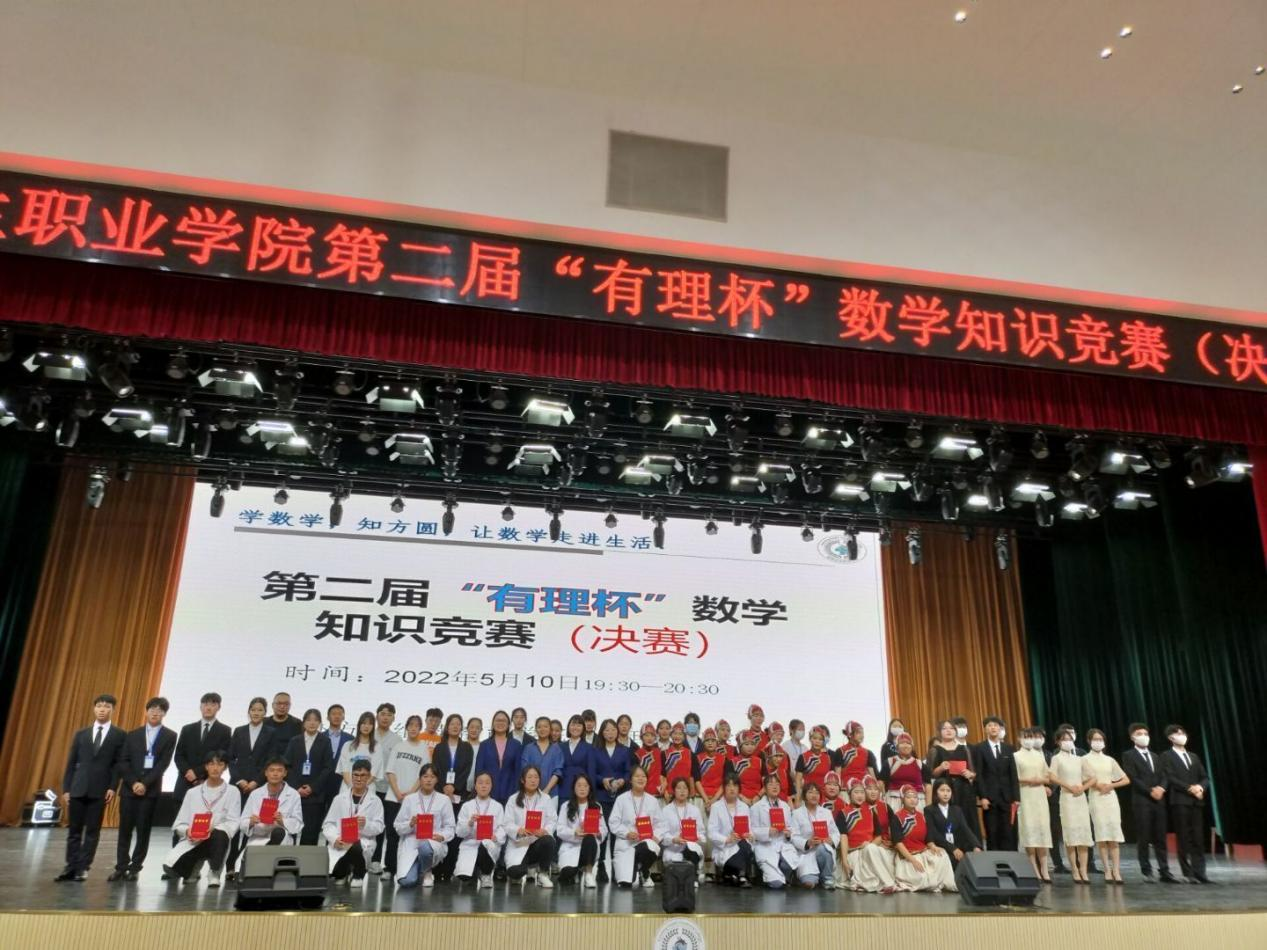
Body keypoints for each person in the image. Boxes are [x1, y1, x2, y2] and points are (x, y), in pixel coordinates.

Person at [56, 693, 126, 882]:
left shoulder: (119, 735)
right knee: (74, 831)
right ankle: (70, 866)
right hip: (78, 788)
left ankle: (83, 867)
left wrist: (112, 787)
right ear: (94, 708)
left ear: (113, 710)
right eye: (99, 706)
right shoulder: (81, 734)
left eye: (107, 706)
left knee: (92, 831)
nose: (102, 709)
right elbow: (71, 763)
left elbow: (118, 765)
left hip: (100, 789)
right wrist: (66, 789)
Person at [112, 695, 177, 881]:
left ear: (164, 714)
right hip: (129, 790)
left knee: (143, 830)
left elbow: (163, 764)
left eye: (160, 710)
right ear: (146, 711)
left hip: (150, 791)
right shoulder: (132, 734)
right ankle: (121, 866)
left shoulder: (170, 735)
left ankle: (135, 868)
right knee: (124, 830)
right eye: (152, 709)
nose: (155, 713)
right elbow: (123, 761)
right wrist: (134, 782)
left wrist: (145, 783)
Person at [161, 750, 241, 887]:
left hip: (217, 839)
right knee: (170, 867)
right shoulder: (192, 792)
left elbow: (233, 822)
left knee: (220, 834)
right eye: (211, 764)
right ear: (206, 766)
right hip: (194, 839)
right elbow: (179, 823)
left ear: (225, 767)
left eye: (220, 764)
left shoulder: (232, 791)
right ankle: (194, 867)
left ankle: (214, 873)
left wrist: (212, 828)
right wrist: (188, 831)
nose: (215, 768)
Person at [226, 697, 276, 877]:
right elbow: (230, 758)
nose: (256, 713)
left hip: (258, 786)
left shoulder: (271, 733)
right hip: (238, 786)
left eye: (260, 710)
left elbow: (270, 760)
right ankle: (230, 866)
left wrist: (256, 781)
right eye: (253, 709)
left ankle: (244, 863)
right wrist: (239, 779)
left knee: (252, 825)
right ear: (248, 711)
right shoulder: (239, 731)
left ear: (265, 713)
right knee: (235, 826)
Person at [1121, 723, 1176, 883]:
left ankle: (1164, 871)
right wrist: (1150, 791)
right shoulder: (1128, 755)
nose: (1144, 736)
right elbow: (1133, 777)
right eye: (1139, 734)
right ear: (1132, 737)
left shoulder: (1155, 756)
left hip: (1159, 800)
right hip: (1142, 800)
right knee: (1144, 837)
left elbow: (1164, 775)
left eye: (1146, 733)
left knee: (1160, 837)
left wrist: (1161, 788)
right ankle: (1147, 871)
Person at [322, 758, 385, 887]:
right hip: (341, 841)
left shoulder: (375, 801)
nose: (359, 779)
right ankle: (344, 872)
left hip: (362, 842)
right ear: (351, 776)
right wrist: (335, 839)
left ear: (369, 777)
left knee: (355, 846)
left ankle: (358, 873)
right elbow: (328, 824)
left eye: (363, 775)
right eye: (356, 775)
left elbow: (379, 827)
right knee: (337, 876)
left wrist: (365, 825)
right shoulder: (339, 799)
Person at [394, 764, 456, 888]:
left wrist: (442, 837)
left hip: (433, 841)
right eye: (425, 776)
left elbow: (450, 827)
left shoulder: (444, 800)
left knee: (425, 847)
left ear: (437, 780)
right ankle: (418, 869)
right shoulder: (409, 799)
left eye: (432, 777)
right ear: (420, 779)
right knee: (406, 882)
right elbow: (398, 826)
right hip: (412, 842)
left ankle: (427, 871)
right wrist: (410, 824)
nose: (428, 780)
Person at [1163, 724, 1210, 884]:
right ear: (1171, 738)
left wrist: (1200, 787)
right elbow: (1170, 777)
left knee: (1198, 837)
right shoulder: (1167, 756)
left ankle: (1200, 873)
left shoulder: (1193, 756)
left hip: (1196, 801)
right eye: (1178, 733)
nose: (1182, 735)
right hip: (1180, 801)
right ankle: (1188, 872)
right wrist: (1190, 788)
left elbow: (1205, 777)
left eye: (1183, 733)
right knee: (1183, 837)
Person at [385, 714, 430, 880]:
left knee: (411, 834)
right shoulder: (399, 746)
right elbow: (390, 771)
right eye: (410, 725)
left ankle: (409, 868)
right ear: (406, 728)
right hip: (393, 797)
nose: (413, 728)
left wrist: (410, 793)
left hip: (413, 799)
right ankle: (389, 868)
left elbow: (424, 775)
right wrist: (397, 792)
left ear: (420, 729)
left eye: (417, 725)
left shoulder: (423, 749)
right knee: (392, 834)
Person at [1082, 728, 1129, 884]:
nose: (1098, 742)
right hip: (1096, 798)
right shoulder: (1084, 759)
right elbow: (1083, 779)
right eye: (1095, 739)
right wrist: (1097, 786)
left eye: (1101, 740)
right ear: (1089, 741)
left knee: (1114, 835)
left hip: (1110, 799)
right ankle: (1107, 870)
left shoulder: (1110, 760)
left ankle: (1116, 870)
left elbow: (1125, 779)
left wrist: (1111, 785)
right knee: (1102, 836)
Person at [172, 692, 232, 810]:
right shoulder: (187, 729)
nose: (208, 707)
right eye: (205, 704)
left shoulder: (225, 731)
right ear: (200, 707)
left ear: (219, 707)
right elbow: (179, 755)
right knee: (180, 819)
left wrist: (197, 773)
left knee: (204, 818)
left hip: (208, 781)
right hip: (184, 782)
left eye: (213, 704)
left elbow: (222, 757)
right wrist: (188, 772)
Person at [891, 785, 956, 892]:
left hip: (923, 852)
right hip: (908, 856)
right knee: (921, 879)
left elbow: (928, 837)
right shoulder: (897, 817)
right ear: (902, 799)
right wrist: (913, 860)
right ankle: (932, 883)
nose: (912, 799)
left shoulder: (921, 816)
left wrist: (933, 846)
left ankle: (946, 884)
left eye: (915, 797)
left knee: (942, 854)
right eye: (908, 797)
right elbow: (898, 843)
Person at [431, 713, 472, 882]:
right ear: (447, 727)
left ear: (461, 728)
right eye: (452, 723)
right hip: (441, 794)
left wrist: (454, 786)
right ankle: (436, 869)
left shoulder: (467, 747)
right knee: (440, 828)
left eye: (458, 724)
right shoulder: (439, 748)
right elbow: (436, 768)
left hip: (458, 795)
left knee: (454, 831)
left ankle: (449, 870)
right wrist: (444, 786)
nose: (455, 726)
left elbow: (466, 770)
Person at [284, 708, 334, 846]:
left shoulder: (325, 741)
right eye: (309, 720)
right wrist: (297, 787)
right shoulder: (295, 741)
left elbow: (328, 767)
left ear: (320, 723)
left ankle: (306, 858)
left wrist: (313, 787)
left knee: (311, 831)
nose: (312, 723)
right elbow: (287, 766)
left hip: (315, 794)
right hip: (295, 792)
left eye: (316, 720)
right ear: (304, 722)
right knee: (290, 829)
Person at [502, 764, 557, 887]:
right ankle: (528, 868)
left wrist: (545, 830)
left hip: (537, 841)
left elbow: (552, 820)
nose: (533, 780)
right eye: (530, 777)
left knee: (548, 840)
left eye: (536, 777)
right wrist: (518, 830)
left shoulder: (546, 798)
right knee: (515, 873)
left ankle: (543, 874)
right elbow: (507, 823)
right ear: (523, 780)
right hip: (519, 845)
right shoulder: (513, 799)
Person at [1049, 727, 1093, 883]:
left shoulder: (1080, 759)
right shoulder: (1056, 758)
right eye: (1064, 740)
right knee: (1071, 835)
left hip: (1080, 798)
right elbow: (1052, 776)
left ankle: (1084, 870)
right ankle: (1074, 868)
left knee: (1083, 835)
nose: (1068, 742)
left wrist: (1082, 787)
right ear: (1058, 742)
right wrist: (1068, 786)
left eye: (1069, 739)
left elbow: (1092, 777)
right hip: (1067, 798)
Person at [926, 719, 980, 840]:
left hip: (964, 789)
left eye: (951, 728)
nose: (948, 731)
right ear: (940, 732)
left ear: (955, 731)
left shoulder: (964, 748)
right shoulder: (935, 750)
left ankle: (972, 846)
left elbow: (973, 772)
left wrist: (970, 774)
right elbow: (930, 774)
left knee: (968, 818)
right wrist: (940, 768)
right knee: (949, 819)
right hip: (945, 789)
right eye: (945, 728)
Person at [610, 764, 662, 887]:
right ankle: (634, 870)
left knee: (650, 846)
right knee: (626, 883)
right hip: (626, 843)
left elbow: (660, 824)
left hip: (645, 842)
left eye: (643, 776)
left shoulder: (652, 801)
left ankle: (644, 870)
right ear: (630, 780)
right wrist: (626, 833)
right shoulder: (621, 799)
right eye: (637, 776)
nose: (640, 779)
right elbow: (613, 822)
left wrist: (656, 836)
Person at [835, 778, 891, 893]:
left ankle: (887, 883)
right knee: (870, 851)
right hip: (852, 852)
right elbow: (843, 838)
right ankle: (887, 883)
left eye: (862, 792)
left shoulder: (871, 811)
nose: (860, 795)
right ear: (849, 794)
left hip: (869, 850)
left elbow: (879, 836)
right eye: (856, 792)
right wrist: (844, 861)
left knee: (876, 850)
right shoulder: (843, 813)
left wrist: (869, 845)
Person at [1015, 727, 1054, 882]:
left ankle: (1044, 869)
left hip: (1040, 796)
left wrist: (1042, 781)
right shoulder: (1016, 756)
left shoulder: (1039, 755)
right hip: (1025, 795)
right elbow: (1014, 777)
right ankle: (1034, 869)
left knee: (1042, 830)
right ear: (1019, 739)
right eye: (1025, 737)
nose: (1029, 740)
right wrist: (1029, 780)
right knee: (1029, 831)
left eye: (1031, 737)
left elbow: (1048, 776)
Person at [974, 716, 1019, 851]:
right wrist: (983, 797)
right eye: (989, 725)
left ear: (1000, 729)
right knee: (992, 832)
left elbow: (1013, 774)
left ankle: (1011, 860)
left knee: (1009, 832)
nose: (993, 728)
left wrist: (1016, 797)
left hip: (1007, 798)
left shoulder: (1009, 748)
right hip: (990, 798)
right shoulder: (979, 748)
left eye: (995, 725)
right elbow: (979, 774)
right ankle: (994, 860)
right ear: (985, 729)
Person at [454, 772, 505, 887]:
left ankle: (486, 874)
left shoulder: (497, 806)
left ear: (491, 786)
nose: (484, 786)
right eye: (480, 783)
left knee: (486, 845)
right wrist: (470, 823)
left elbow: (502, 828)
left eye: (487, 783)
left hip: (489, 843)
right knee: (464, 877)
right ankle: (474, 871)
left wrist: (496, 837)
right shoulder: (467, 806)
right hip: (470, 843)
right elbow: (459, 832)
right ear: (475, 786)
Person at [556, 773, 607, 886]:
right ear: (574, 788)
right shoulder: (566, 806)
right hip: (570, 847)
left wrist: (598, 833)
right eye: (579, 785)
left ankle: (588, 873)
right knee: (567, 874)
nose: (582, 788)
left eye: (585, 786)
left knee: (589, 837)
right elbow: (560, 829)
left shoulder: (596, 806)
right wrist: (574, 832)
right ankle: (576, 871)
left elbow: (604, 829)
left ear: (590, 788)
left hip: (589, 847)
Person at [240, 758, 304, 847]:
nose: (275, 774)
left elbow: (298, 823)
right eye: (272, 770)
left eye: (279, 770)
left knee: (278, 833)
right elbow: (242, 822)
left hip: (282, 840)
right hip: (257, 840)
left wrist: (282, 821)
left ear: (285, 773)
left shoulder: (293, 794)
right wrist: (250, 822)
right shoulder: (255, 794)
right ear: (266, 773)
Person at [750, 772, 798, 889]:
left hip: (783, 844)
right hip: (766, 846)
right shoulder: (756, 807)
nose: (775, 786)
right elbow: (752, 830)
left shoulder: (785, 806)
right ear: (765, 788)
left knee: (788, 864)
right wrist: (767, 832)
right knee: (776, 884)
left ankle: (784, 876)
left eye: (777, 784)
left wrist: (788, 834)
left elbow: (792, 827)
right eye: (771, 784)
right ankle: (774, 877)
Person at [791, 782, 840, 889]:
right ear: (804, 796)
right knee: (808, 882)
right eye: (810, 792)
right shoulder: (796, 814)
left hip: (823, 849)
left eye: (817, 793)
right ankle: (811, 877)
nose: (814, 795)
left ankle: (827, 878)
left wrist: (831, 840)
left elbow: (835, 832)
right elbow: (794, 836)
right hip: (807, 853)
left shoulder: (826, 812)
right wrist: (807, 842)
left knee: (823, 849)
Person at [924, 778, 982, 868]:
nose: (946, 794)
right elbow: (934, 833)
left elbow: (965, 829)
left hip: (957, 846)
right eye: (942, 790)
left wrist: (976, 845)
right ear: (936, 792)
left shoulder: (957, 810)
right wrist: (953, 848)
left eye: (948, 790)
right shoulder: (929, 810)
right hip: (941, 847)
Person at [707, 775, 754, 887]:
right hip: (724, 848)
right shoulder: (716, 807)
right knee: (744, 849)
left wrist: (749, 835)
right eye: (728, 785)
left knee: (745, 845)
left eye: (735, 785)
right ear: (724, 788)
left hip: (741, 845)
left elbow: (749, 828)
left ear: (739, 788)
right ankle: (739, 875)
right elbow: (711, 832)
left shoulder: (744, 807)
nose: (732, 788)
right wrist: (727, 839)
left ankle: (732, 874)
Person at [370, 702, 400, 874]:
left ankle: (389, 866)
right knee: (372, 825)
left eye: (389, 714)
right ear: (377, 716)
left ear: (394, 718)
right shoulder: (368, 735)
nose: (385, 717)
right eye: (382, 713)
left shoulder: (397, 740)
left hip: (389, 790)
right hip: (370, 788)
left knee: (389, 828)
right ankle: (372, 860)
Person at [660, 776, 706, 882]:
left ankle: (693, 878)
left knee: (692, 848)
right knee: (676, 864)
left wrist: (696, 837)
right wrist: (674, 839)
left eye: (685, 788)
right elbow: (662, 834)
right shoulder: (666, 810)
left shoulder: (695, 810)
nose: (682, 791)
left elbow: (701, 832)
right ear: (673, 790)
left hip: (690, 848)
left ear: (688, 791)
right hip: (673, 849)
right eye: (679, 788)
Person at [474, 709, 523, 806]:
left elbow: (518, 771)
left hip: (510, 792)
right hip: (488, 792)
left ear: (508, 724)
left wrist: (517, 791)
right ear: (493, 724)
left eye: (503, 721)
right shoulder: (484, 745)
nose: (500, 723)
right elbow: (479, 770)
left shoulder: (516, 745)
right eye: (497, 720)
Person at [879, 732, 930, 810]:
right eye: (902, 743)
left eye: (908, 743)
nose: (905, 745)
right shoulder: (890, 762)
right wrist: (883, 797)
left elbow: (928, 785)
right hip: (895, 801)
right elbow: (880, 782)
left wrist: (929, 806)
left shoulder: (919, 764)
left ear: (912, 747)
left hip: (917, 801)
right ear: (897, 746)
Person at [521, 715, 564, 798]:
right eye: (539, 727)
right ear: (536, 729)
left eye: (545, 726)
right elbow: (525, 770)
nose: (542, 729)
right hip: (530, 793)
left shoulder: (557, 749)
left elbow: (558, 772)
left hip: (551, 794)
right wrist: (533, 790)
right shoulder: (528, 748)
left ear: (550, 729)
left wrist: (547, 790)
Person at [338, 711, 385, 787]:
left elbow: (374, 772)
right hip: (347, 788)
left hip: (367, 789)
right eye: (364, 723)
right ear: (359, 725)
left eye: (370, 724)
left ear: (373, 727)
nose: (366, 726)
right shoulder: (348, 745)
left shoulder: (377, 747)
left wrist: (360, 788)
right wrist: (352, 787)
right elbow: (345, 770)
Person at [559, 714, 594, 806]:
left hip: (582, 790)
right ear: (568, 727)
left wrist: (591, 793)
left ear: (583, 728)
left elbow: (591, 772)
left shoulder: (589, 748)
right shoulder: (560, 746)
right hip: (563, 789)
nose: (575, 727)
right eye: (573, 724)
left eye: (579, 725)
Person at [322, 704, 353, 803]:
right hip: (322, 782)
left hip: (342, 781)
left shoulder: (350, 739)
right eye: (333, 714)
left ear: (343, 717)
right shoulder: (320, 737)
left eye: (339, 714)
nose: (336, 716)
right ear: (327, 717)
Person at [660, 722, 699, 802]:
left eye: (680, 734)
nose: (677, 736)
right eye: (675, 733)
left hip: (685, 793)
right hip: (669, 794)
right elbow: (662, 775)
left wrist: (692, 792)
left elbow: (692, 775)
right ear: (671, 735)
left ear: (684, 737)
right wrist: (665, 792)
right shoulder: (664, 753)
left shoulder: (691, 754)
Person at [694, 727, 728, 816]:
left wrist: (713, 800)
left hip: (718, 798)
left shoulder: (724, 759)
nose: (710, 743)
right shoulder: (697, 758)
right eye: (707, 741)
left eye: (713, 740)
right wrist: (706, 799)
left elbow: (725, 782)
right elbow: (697, 780)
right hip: (700, 797)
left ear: (717, 743)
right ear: (703, 743)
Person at [833, 720, 878, 788]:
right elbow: (837, 774)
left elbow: (872, 775)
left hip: (863, 788)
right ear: (850, 734)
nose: (862, 736)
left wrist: (876, 787)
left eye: (862, 733)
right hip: (846, 788)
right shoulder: (840, 751)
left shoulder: (868, 752)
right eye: (858, 733)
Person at [795, 725, 834, 802]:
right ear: (810, 739)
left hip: (823, 797)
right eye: (814, 738)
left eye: (820, 739)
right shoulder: (803, 757)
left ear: (823, 741)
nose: (817, 741)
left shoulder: (828, 758)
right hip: (807, 795)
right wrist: (797, 798)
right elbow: (798, 780)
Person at [729, 729, 764, 805]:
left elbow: (766, 784)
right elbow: (730, 784)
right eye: (746, 744)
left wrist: (757, 797)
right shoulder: (732, 762)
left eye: (752, 744)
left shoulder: (760, 761)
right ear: (740, 746)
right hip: (738, 799)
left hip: (759, 800)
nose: (750, 747)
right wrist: (742, 798)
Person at [634, 721, 665, 796]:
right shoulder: (637, 754)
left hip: (658, 792)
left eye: (652, 735)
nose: (649, 738)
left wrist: (663, 786)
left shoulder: (660, 753)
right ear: (641, 737)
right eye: (646, 735)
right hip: (641, 793)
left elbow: (663, 773)